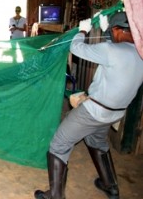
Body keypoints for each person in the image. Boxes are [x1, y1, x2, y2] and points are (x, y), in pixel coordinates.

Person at [34, 13, 143, 199]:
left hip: (94, 111)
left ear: (117, 30)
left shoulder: (111, 51)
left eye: (111, 32)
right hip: (116, 113)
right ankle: (111, 186)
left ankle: (55, 195)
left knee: (59, 144)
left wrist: (83, 31)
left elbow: (76, 48)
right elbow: (114, 49)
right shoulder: (139, 53)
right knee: (97, 142)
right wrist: (106, 32)